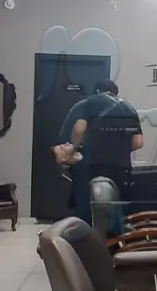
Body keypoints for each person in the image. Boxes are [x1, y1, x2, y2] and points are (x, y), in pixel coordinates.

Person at [52, 80, 143, 228]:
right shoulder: (129, 109)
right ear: (115, 92)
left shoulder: (89, 103)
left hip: (92, 165)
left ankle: (88, 237)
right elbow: (138, 142)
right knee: (116, 206)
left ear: (97, 91)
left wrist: (75, 147)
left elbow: (80, 129)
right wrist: (118, 149)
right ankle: (116, 238)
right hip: (121, 167)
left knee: (90, 206)